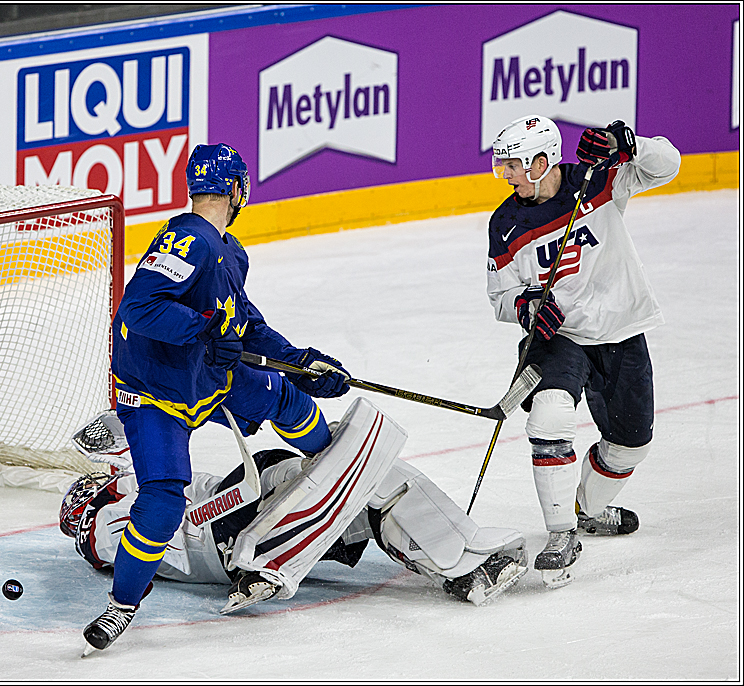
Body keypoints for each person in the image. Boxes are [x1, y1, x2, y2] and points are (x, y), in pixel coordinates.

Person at [81, 143, 353, 653]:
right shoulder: (189, 237)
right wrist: (206, 328)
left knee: (288, 397)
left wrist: (302, 361)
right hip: (153, 393)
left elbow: (244, 326)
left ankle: (330, 462)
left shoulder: (229, 250)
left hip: (204, 377)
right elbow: (139, 310)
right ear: (236, 188)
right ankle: (121, 606)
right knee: (163, 502)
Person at [62, 413, 528, 640]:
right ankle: (260, 558)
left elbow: (177, 487)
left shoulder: (134, 501)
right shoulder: (103, 527)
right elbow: (157, 521)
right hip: (225, 532)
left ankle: (460, 569)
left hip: (239, 520)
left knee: (369, 484)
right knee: (300, 468)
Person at [486, 115, 680, 588]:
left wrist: (627, 144)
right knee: (549, 417)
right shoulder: (506, 223)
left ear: (541, 161)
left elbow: (669, 165)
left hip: (621, 329)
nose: (505, 176)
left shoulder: (599, 180)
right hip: (561, 339)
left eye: (512, 166)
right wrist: (528, 306)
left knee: (632, 443)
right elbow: (500, 297)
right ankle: (561, 533)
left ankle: (589, 511)